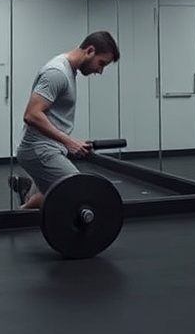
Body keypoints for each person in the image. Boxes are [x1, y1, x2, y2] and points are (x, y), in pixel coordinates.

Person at [14, 30, 120, 209]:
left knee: (52, 193)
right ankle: (13, 218)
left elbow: (51, 116)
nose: (100, 71)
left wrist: (69, 143)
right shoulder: (57, 73)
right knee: (77, 191)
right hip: (39, 150)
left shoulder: (69, 70)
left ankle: (29, 194)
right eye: (101, 63)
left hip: (49, 149)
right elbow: (31, 115)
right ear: (90, 51)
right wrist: (69, 142)